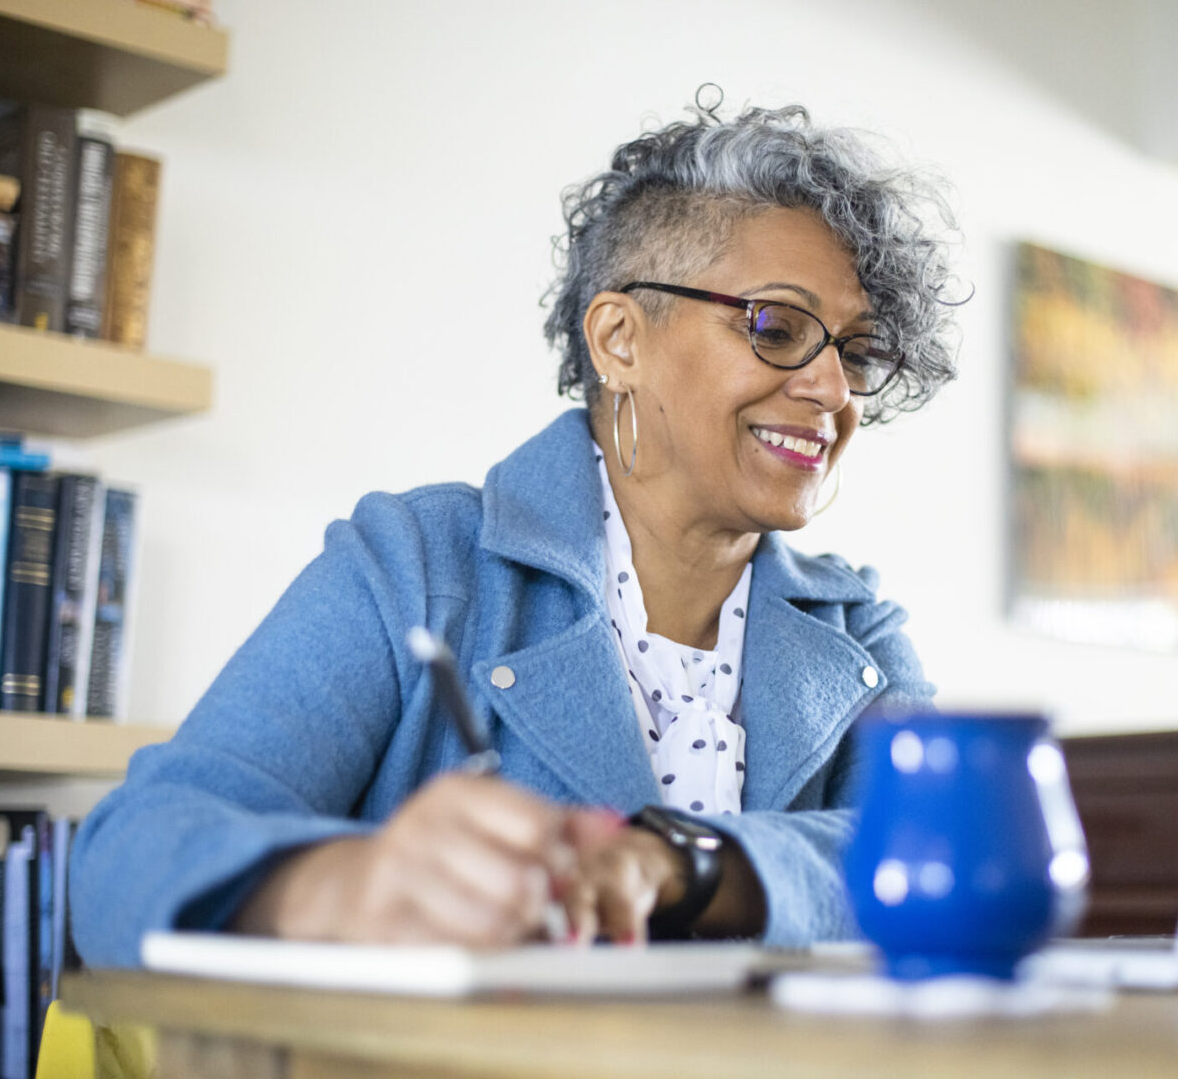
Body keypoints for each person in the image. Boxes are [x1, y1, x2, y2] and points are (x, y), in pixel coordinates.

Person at [70, 91, 961, 966]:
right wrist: (345, 886)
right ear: (618, 340)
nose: (834, 392)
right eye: (776, 327)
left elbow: (948, 868)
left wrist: (689, 864)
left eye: (856, 352)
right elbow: (123, 861)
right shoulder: (415, 564)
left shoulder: (857, 630)